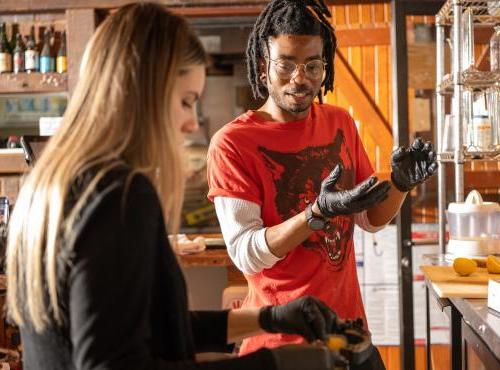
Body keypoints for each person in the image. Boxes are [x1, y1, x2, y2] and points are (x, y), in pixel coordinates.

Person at [5, 3, 342, 370]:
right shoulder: (118, 195)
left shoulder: (58, 182)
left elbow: (145, 330)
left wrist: (268, 319)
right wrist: (273, 364)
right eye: (186, 102)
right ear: (143, 90)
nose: (190, 124)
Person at [206, 0, 437, 364]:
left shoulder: (339, 123)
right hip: (283, 348)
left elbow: (369, 219)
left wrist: (400, 184)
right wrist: (315, 213)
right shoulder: (233, 143)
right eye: (287, 64)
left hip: (349, 335)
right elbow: (246, 254)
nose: (301, 77)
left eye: (313, 65)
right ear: (264, 66)